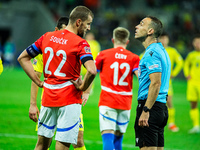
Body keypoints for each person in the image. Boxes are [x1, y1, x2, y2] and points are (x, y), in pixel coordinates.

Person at [17, 6, 97, 150]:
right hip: (69, 99)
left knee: (41, 145)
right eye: (88, 24)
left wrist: (38, 81)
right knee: (62, 145)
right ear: (79, 22)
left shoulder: (47, 36)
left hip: (48, 97)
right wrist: (82, 87)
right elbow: (92, 70)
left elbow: (23, 58)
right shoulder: (80, 43)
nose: (89, 28)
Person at [30, 17, 87, 150]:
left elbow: (88, 72)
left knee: (78, 139)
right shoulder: (46, 46)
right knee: (44, 142)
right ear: (57, 30)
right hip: (49, 100)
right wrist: (33, 104)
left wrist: (86, 91)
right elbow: (36, 77)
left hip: (71, 101)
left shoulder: (76, 45)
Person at [95, 27, 140, 150]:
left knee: (107, 136)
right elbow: (141, 77)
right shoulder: (134, 58)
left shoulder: (103, 54)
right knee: (118, 138)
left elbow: (92, 72)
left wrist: (85, 88)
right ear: (127, 42)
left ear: (113, 40)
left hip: (107, 100)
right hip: (125, 102)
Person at [134, 16, 171, 150]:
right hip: (160, 107)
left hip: (150, 107)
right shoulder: (161, 50)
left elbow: (156, 83)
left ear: (150, 31)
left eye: (141, 24)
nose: (137, 26)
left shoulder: (151, 53)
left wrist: (145, 110)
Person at [159, 32, 183, 132]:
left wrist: (174, 73)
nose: (163, 40)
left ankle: (171, 123)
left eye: (165, 38)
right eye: (162, 38)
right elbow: (141, 58)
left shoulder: (172, 51)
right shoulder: (156, 50)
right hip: (155, 81)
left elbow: (180, 62)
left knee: (169, 102)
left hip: (166, 82)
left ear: (168, 40)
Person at [183, 34, 200, 134]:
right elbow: (186, 65)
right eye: (196, 42)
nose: (198, 44)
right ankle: (196, 126)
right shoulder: (191, 55)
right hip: (192, 83)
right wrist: (187, 74)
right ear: (193, 44)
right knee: (193, 104)